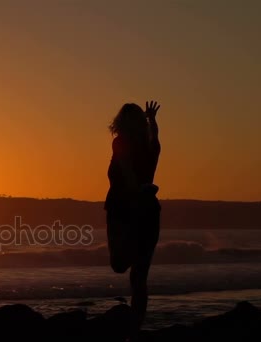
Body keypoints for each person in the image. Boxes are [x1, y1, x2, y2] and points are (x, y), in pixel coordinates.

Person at [105, 101, 161, 336]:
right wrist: (152, 122)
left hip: (125, 209)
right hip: (149, 207)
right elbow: (156, 144)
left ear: (121, 122)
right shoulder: (149, 145)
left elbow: (126, 170)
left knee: (120, 265)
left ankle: (134, 329)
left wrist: (134, 193)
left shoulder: (120, 143)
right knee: (139, 276)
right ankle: (135, 329)